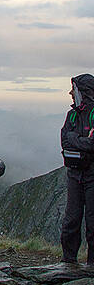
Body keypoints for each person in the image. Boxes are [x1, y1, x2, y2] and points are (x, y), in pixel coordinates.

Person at [61, 74, 94, 265]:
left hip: (91, 174)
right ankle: (68, 262)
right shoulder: (71, 115)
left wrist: (75, 140)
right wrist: (84, 141)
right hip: (74, 174)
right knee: (71, 220)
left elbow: (92, 145)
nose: (71, 93)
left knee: (92, 221)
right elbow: (64, 140)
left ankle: (91, 267)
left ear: (83, 92)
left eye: (74, 90)